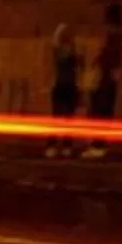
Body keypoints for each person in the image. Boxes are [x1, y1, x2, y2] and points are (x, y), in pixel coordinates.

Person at [86, 9, 122, 157]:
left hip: (106, 82)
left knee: (100, 113)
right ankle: (99, 145)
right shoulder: (115, 39)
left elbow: (110, 61)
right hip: (107, 81)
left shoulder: (114, 40)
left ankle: (98, 145)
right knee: (102, 113)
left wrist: (99, 61)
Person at [45, 25, 82, 156]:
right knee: (63, 118)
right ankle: (61, 145)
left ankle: (59, 145)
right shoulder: (68, 54)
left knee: (63, 118)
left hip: (65, 86)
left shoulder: (69, 54)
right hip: (64, 86)